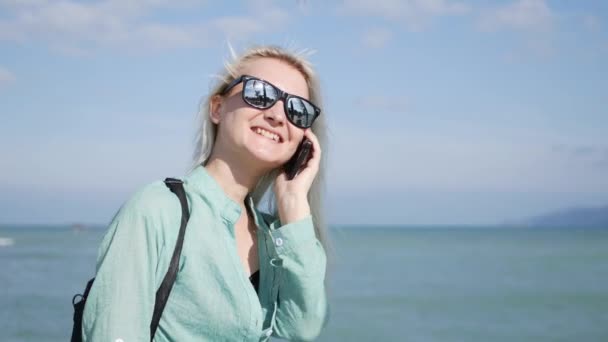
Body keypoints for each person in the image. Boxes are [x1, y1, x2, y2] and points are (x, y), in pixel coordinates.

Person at [81, 45, 330, 341]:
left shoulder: (274, 236)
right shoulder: (159, 209)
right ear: (217, 108)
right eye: (260, 93)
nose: (278, 115)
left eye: (297, 110)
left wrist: (293, 203)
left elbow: (301, 329)